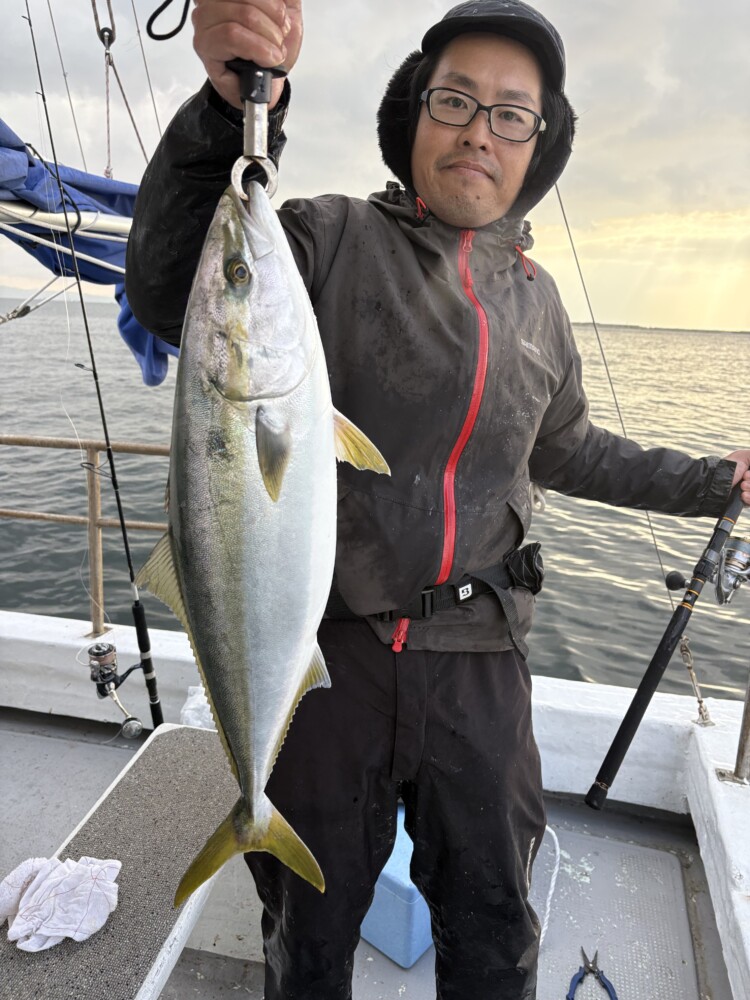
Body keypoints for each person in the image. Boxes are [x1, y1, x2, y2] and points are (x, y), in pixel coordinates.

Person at [126, 2, 750, 997]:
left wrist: (720, 480)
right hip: (332, 660)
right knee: (307, 938)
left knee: (494, 929)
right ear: (412, 114)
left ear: (539, 145)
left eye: (512, 114)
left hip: (481, 661)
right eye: (454, 100)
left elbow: (574, 451)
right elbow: (180, 290)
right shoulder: (327, 238)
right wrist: (232, 108)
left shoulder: (537, 302)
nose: (478, 131)